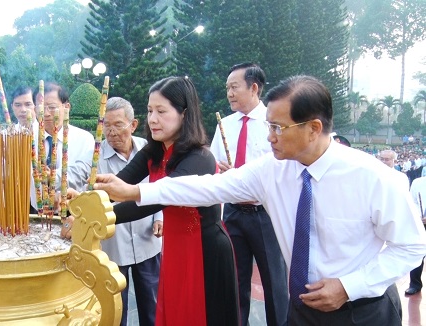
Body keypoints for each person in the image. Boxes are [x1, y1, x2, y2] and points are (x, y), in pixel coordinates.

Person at [94, 75, 426, 325]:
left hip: (362, 310)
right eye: (269, 126)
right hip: (303, 309)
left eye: (278, 128)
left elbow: (411, 246)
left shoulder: (373, 177)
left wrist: (349, 286)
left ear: (314, 128)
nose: (269, 137)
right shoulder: (272, 170)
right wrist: (135, 191)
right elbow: (206, 188)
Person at [86, 76, 239, 325]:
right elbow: (118, 182)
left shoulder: (200, 158)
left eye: (161, 111)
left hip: (203, 251)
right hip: (175, 249)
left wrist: (100, 215)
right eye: (149, 111)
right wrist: (83, 201)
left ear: (184, 113)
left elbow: (156, 199)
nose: (152, 119)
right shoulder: (155, 149)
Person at [68, 97, 163, 326]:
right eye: (106, 125)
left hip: (147, 242)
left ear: (133, 125)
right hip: (113, 247)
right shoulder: (94, 158)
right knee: (115, 311)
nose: (111, 132)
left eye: (118, 125)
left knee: (152, 308)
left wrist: (159, 217)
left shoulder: (149, 151)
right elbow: (77, 179)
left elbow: (160, 187)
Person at [211, 63, 288, 326]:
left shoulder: (274, 123)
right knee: (235, 283)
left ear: (254, 88)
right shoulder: (225, 125)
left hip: (265, 213)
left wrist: (242, 175)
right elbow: (214, 166)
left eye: (234, 87)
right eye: (227, 88)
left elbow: (282, 169)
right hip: (232, 213)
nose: (229, 94)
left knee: (275, 284)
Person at [33, 82, 95, 214]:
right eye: (41, 108)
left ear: (66, 107)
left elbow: (86, 176)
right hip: (35, 210)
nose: (46, 113)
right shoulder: (27, 138)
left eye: (52, 107)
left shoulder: (85, 139)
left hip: (74, 211)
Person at [406, 175, 426, 295]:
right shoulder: (417, 182)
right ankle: (415, 284)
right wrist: (418, 216)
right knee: (417, 253)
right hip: (420, 223)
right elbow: (412, 201)